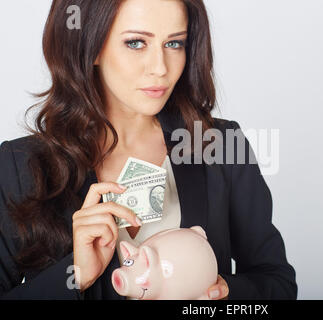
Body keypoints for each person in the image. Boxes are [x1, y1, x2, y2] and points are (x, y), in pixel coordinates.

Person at [0, 0, 297, 299]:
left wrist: (222, 295)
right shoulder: (20, 166)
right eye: (136, 42)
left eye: (174, 43)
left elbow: (277, 284)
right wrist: (75, 276)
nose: (160, 69)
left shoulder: (219, 143)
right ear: (90, 47)